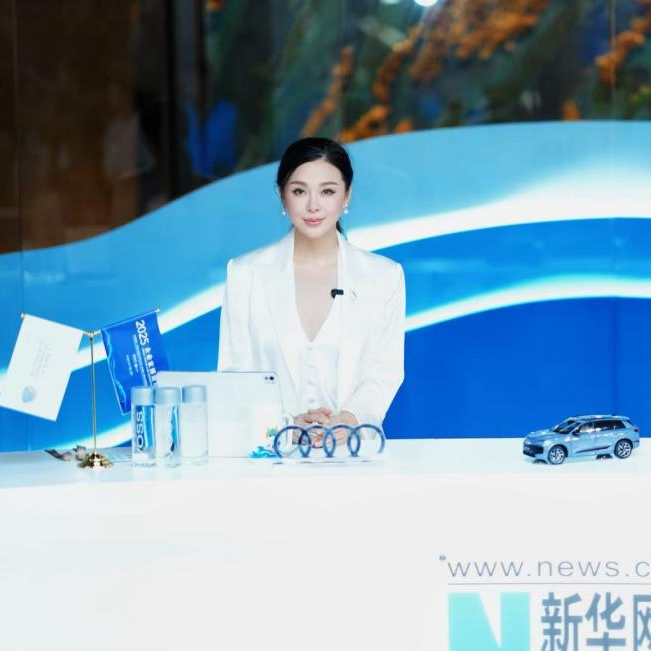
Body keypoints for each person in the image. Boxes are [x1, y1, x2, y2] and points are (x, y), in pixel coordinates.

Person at [217, 137, 405, 438]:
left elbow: (385, 371)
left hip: (352, 450)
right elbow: (234, 374)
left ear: (347, 196)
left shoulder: (383, 276)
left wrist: (350, 419)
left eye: (327, 191)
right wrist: (283, 425)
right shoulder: (245, 274)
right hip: (273, 453)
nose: (313, 205)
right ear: (282, 196)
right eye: (299, 191)